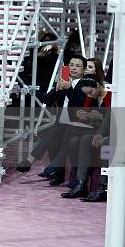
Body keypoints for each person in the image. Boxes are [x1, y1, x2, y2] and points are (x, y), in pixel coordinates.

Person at [16, 55, 89, 183]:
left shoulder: (86, 84)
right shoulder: (63, 81)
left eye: (78, 66)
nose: (73, 68)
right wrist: (57, 89)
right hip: (62, 122)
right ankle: (54, 171)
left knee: (55, 133)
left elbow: (79, 104)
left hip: (79, 124)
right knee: (51, 134)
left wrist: (69, 89)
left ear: (84, 70)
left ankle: (35, 161)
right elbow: (46, 100)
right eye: (71, 65)